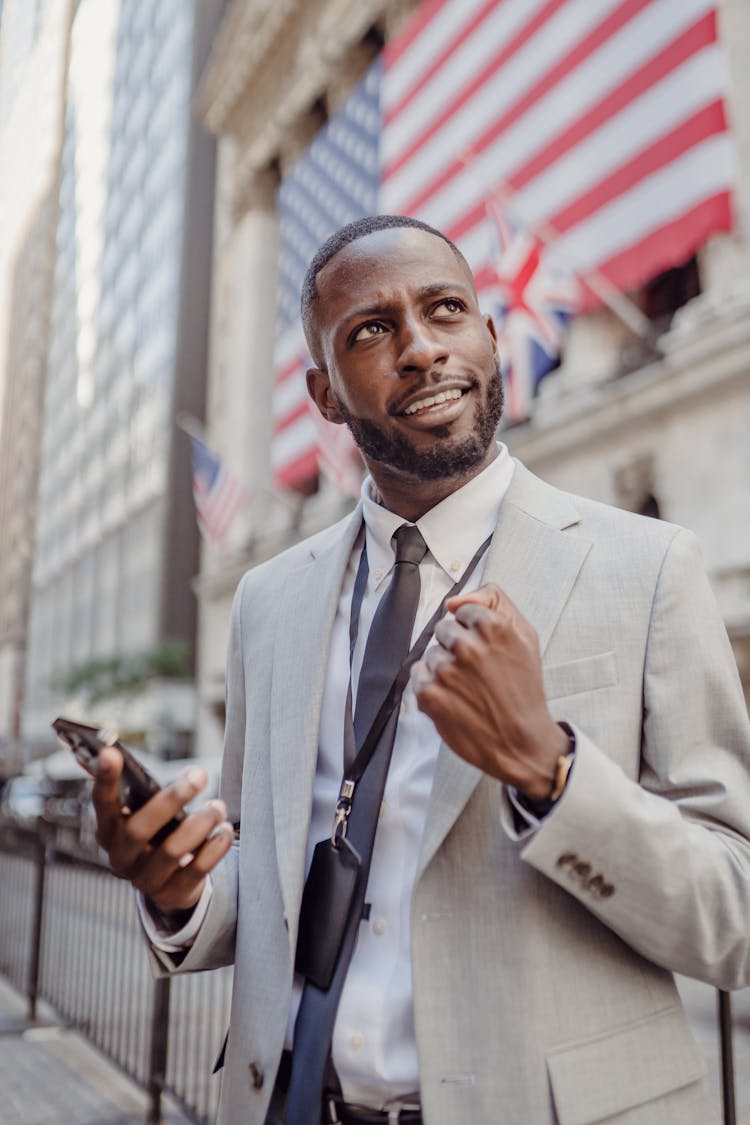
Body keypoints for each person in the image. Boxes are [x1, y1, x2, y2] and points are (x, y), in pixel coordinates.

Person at [93, 215, 750, 1125]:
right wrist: (179, 890)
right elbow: (270, 877)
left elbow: (737, 910)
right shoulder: (267, 601)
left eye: (446, 310)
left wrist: (551, 773)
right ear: (325, 394)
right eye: (372, 330)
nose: (421, 349)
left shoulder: (648, 567)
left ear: (490, 334)